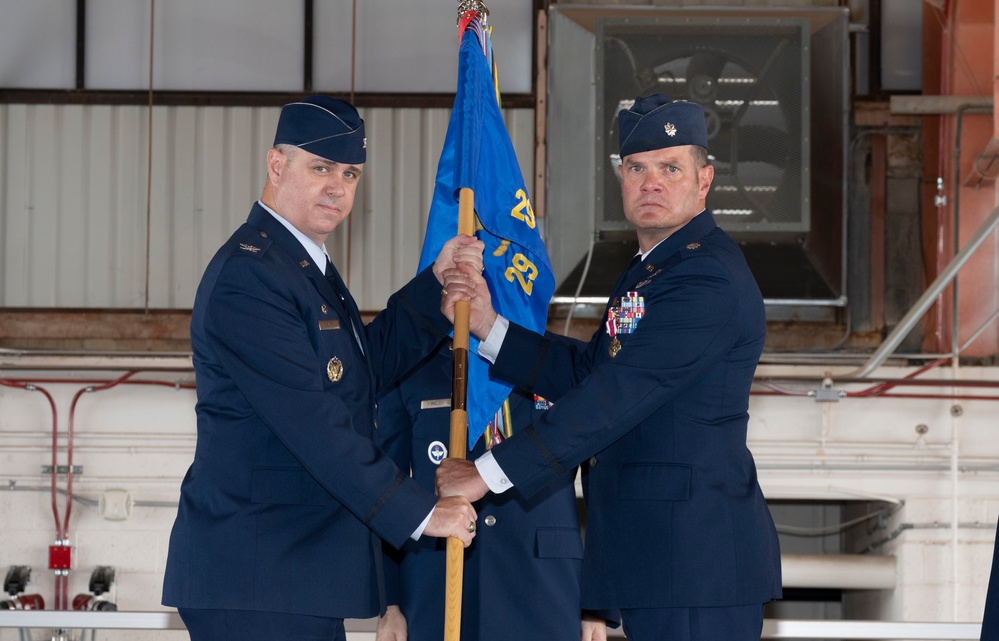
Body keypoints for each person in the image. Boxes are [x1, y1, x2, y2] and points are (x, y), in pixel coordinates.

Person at [436, 94, 782, 641]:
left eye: (671, 168)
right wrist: (489, 326)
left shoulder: (706, 277)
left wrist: (486, 473)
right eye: (637, 168)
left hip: (696, 566)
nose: (651, 182)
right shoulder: (651, 270)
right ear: (621, 179)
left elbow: (616, 395)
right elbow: (592, 371)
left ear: (705, 180)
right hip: (658, 563)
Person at [162, 95, 482, 641]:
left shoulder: (301, 267)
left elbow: (352, 376)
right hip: (259, 579)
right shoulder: (252, 276)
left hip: (289, 577)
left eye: (350, 173)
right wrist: (420, 512)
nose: (337, 187)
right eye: (321, 168)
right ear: (276, 165)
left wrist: (435, 286)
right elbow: (312, 421)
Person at [373, 341, 611, 641]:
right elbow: (385, 488)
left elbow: (603, 490)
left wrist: (597, 606)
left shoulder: (567, 359)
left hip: (546, 589)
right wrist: (390, 606)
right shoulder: (411, 363)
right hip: (437, 584)